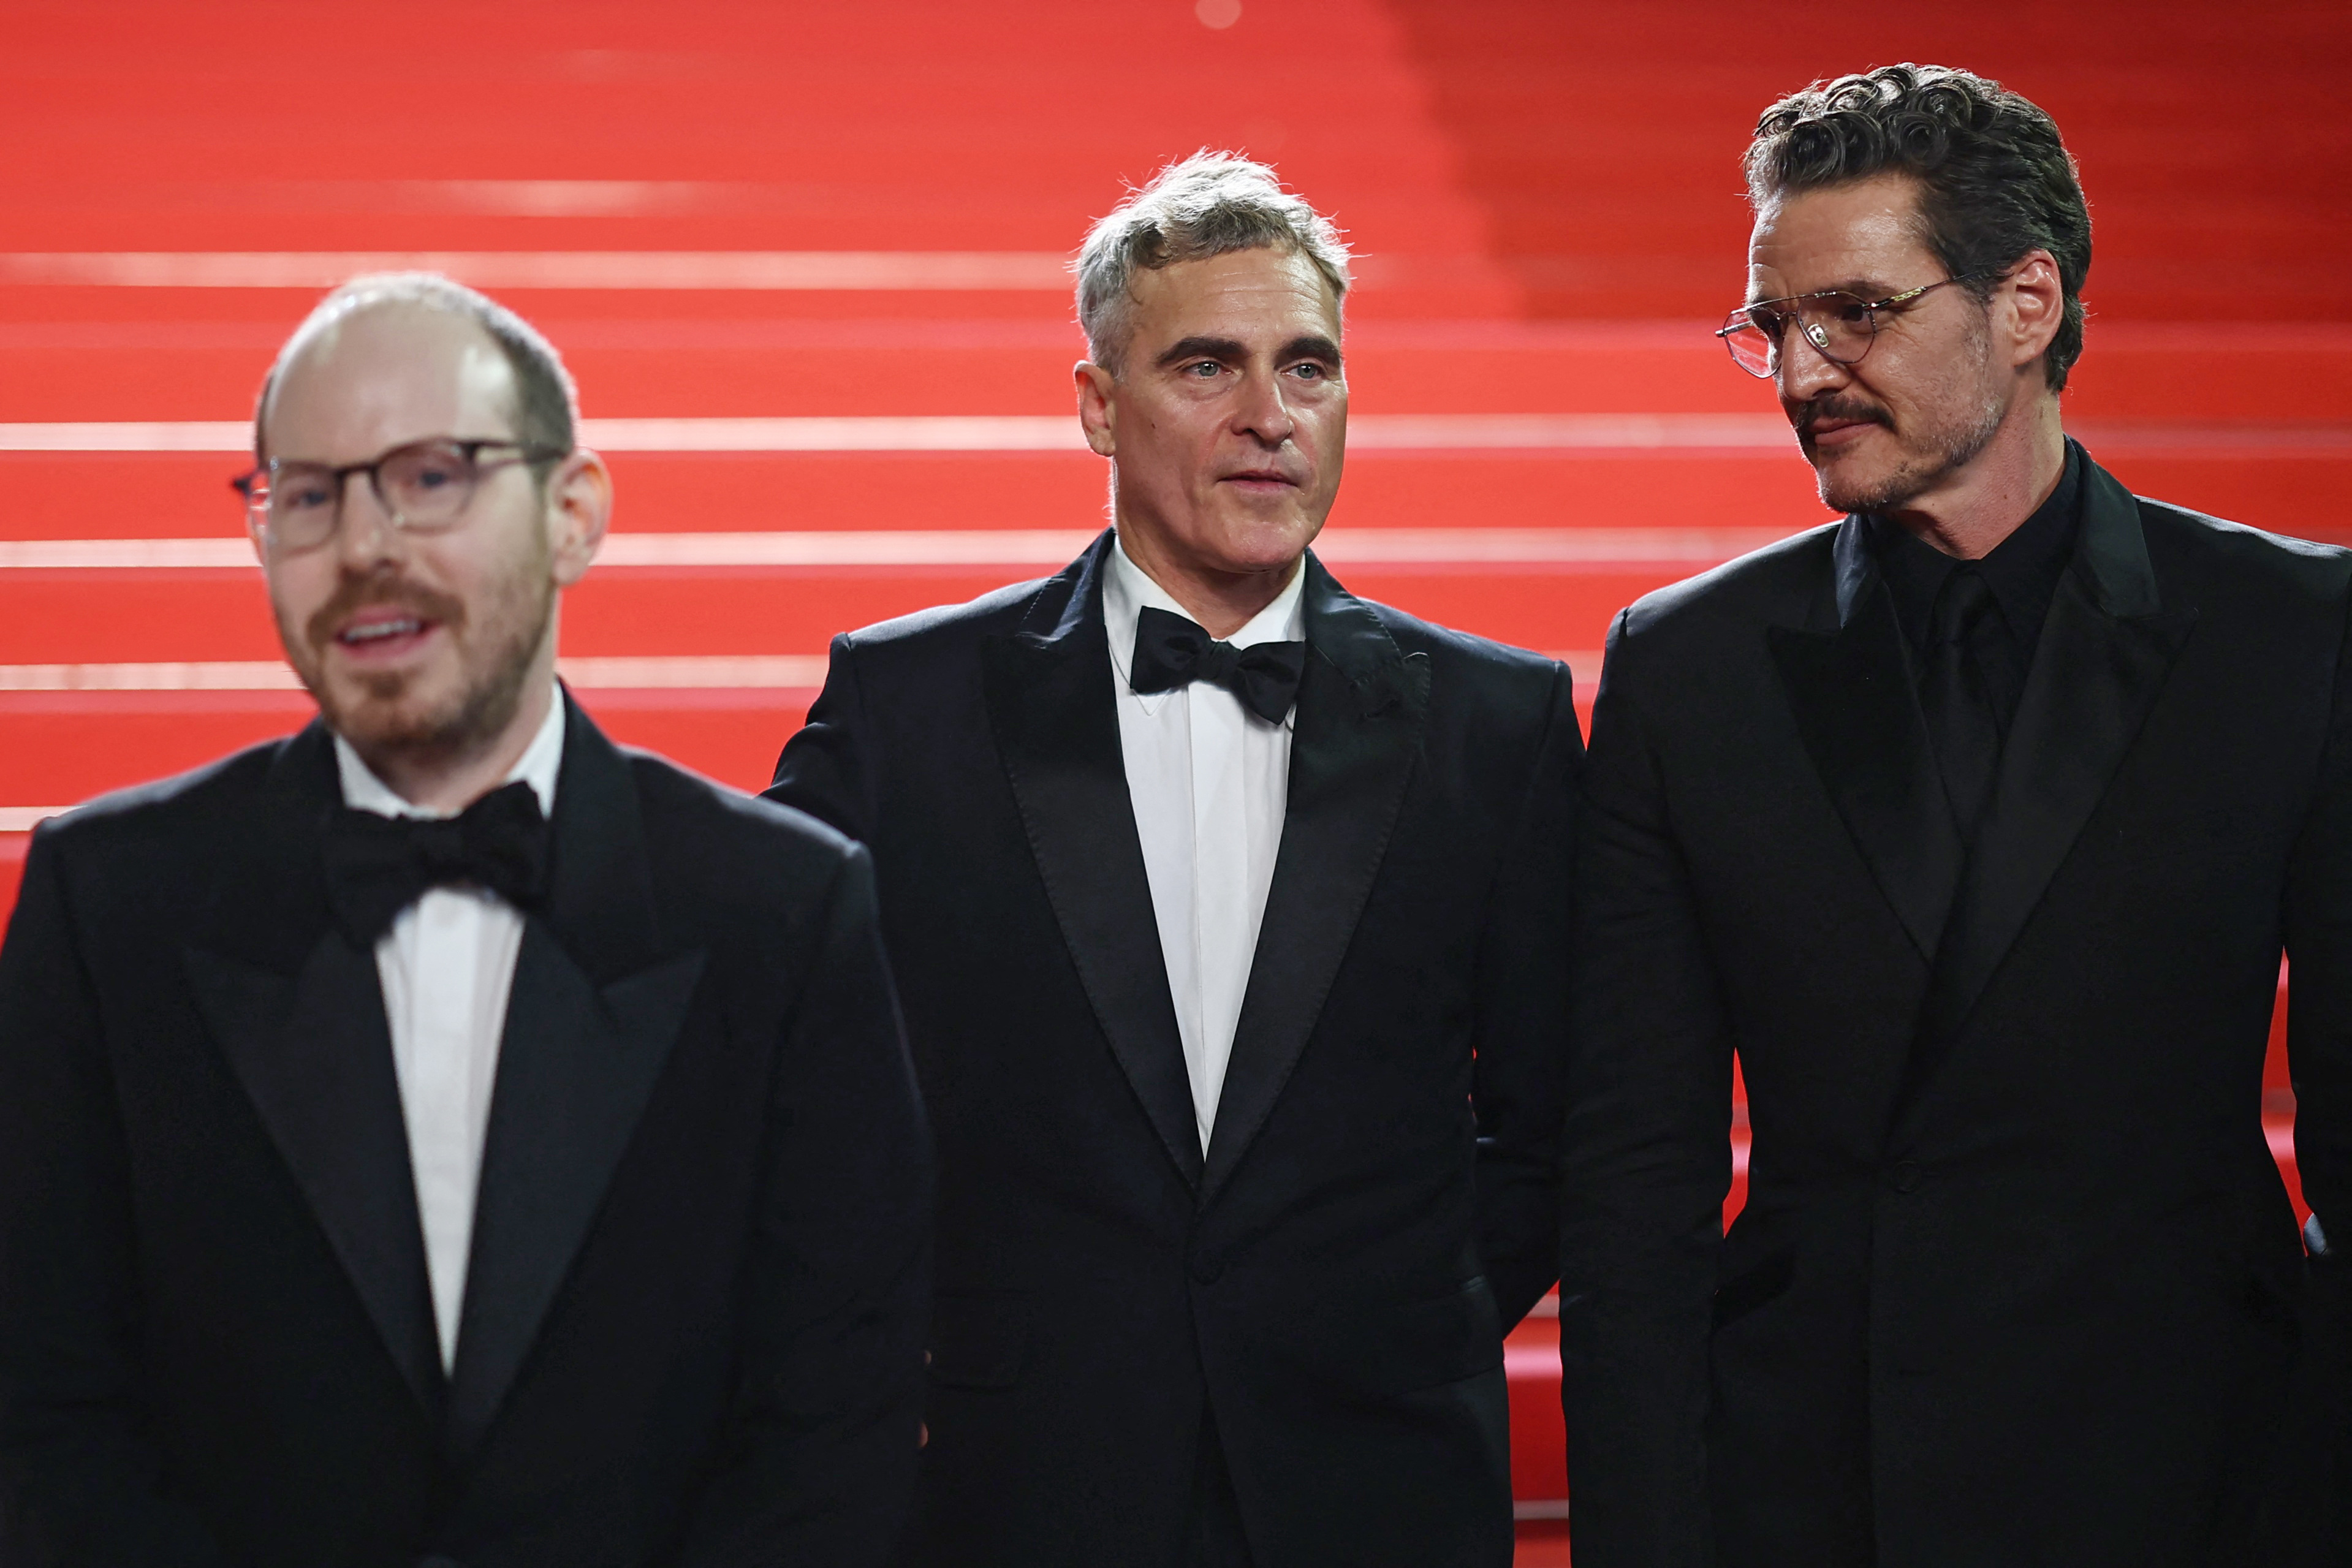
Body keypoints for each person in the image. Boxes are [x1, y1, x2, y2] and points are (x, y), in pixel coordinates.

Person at [0, 275, 931, 1567]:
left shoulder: (783, 909)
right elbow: (42, 1412)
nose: (367, 543)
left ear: (572, 513)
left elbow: (836, 1427)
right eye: (310, 494)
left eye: (430, 475)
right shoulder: (106, 901)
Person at [1558, 63, 2351, 1567]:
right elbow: (1631, 1188)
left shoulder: (2286, 630)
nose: (1801, 376)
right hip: (1821, 1480)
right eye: (1771, 326)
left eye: (1854, 313)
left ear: (2026, 303)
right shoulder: (1690, 663)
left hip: (2198, 1472)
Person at [766, 153, 1580, 1567]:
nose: (1269, 418)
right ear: (1096, 404)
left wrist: (1397, 1314)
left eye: (1307, 368)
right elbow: (778, 1077)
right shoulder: (906, 707)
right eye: (1207, 366)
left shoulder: (1492, 722)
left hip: (1373, 1482)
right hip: (1011, 1482)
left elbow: (1566, 1113)